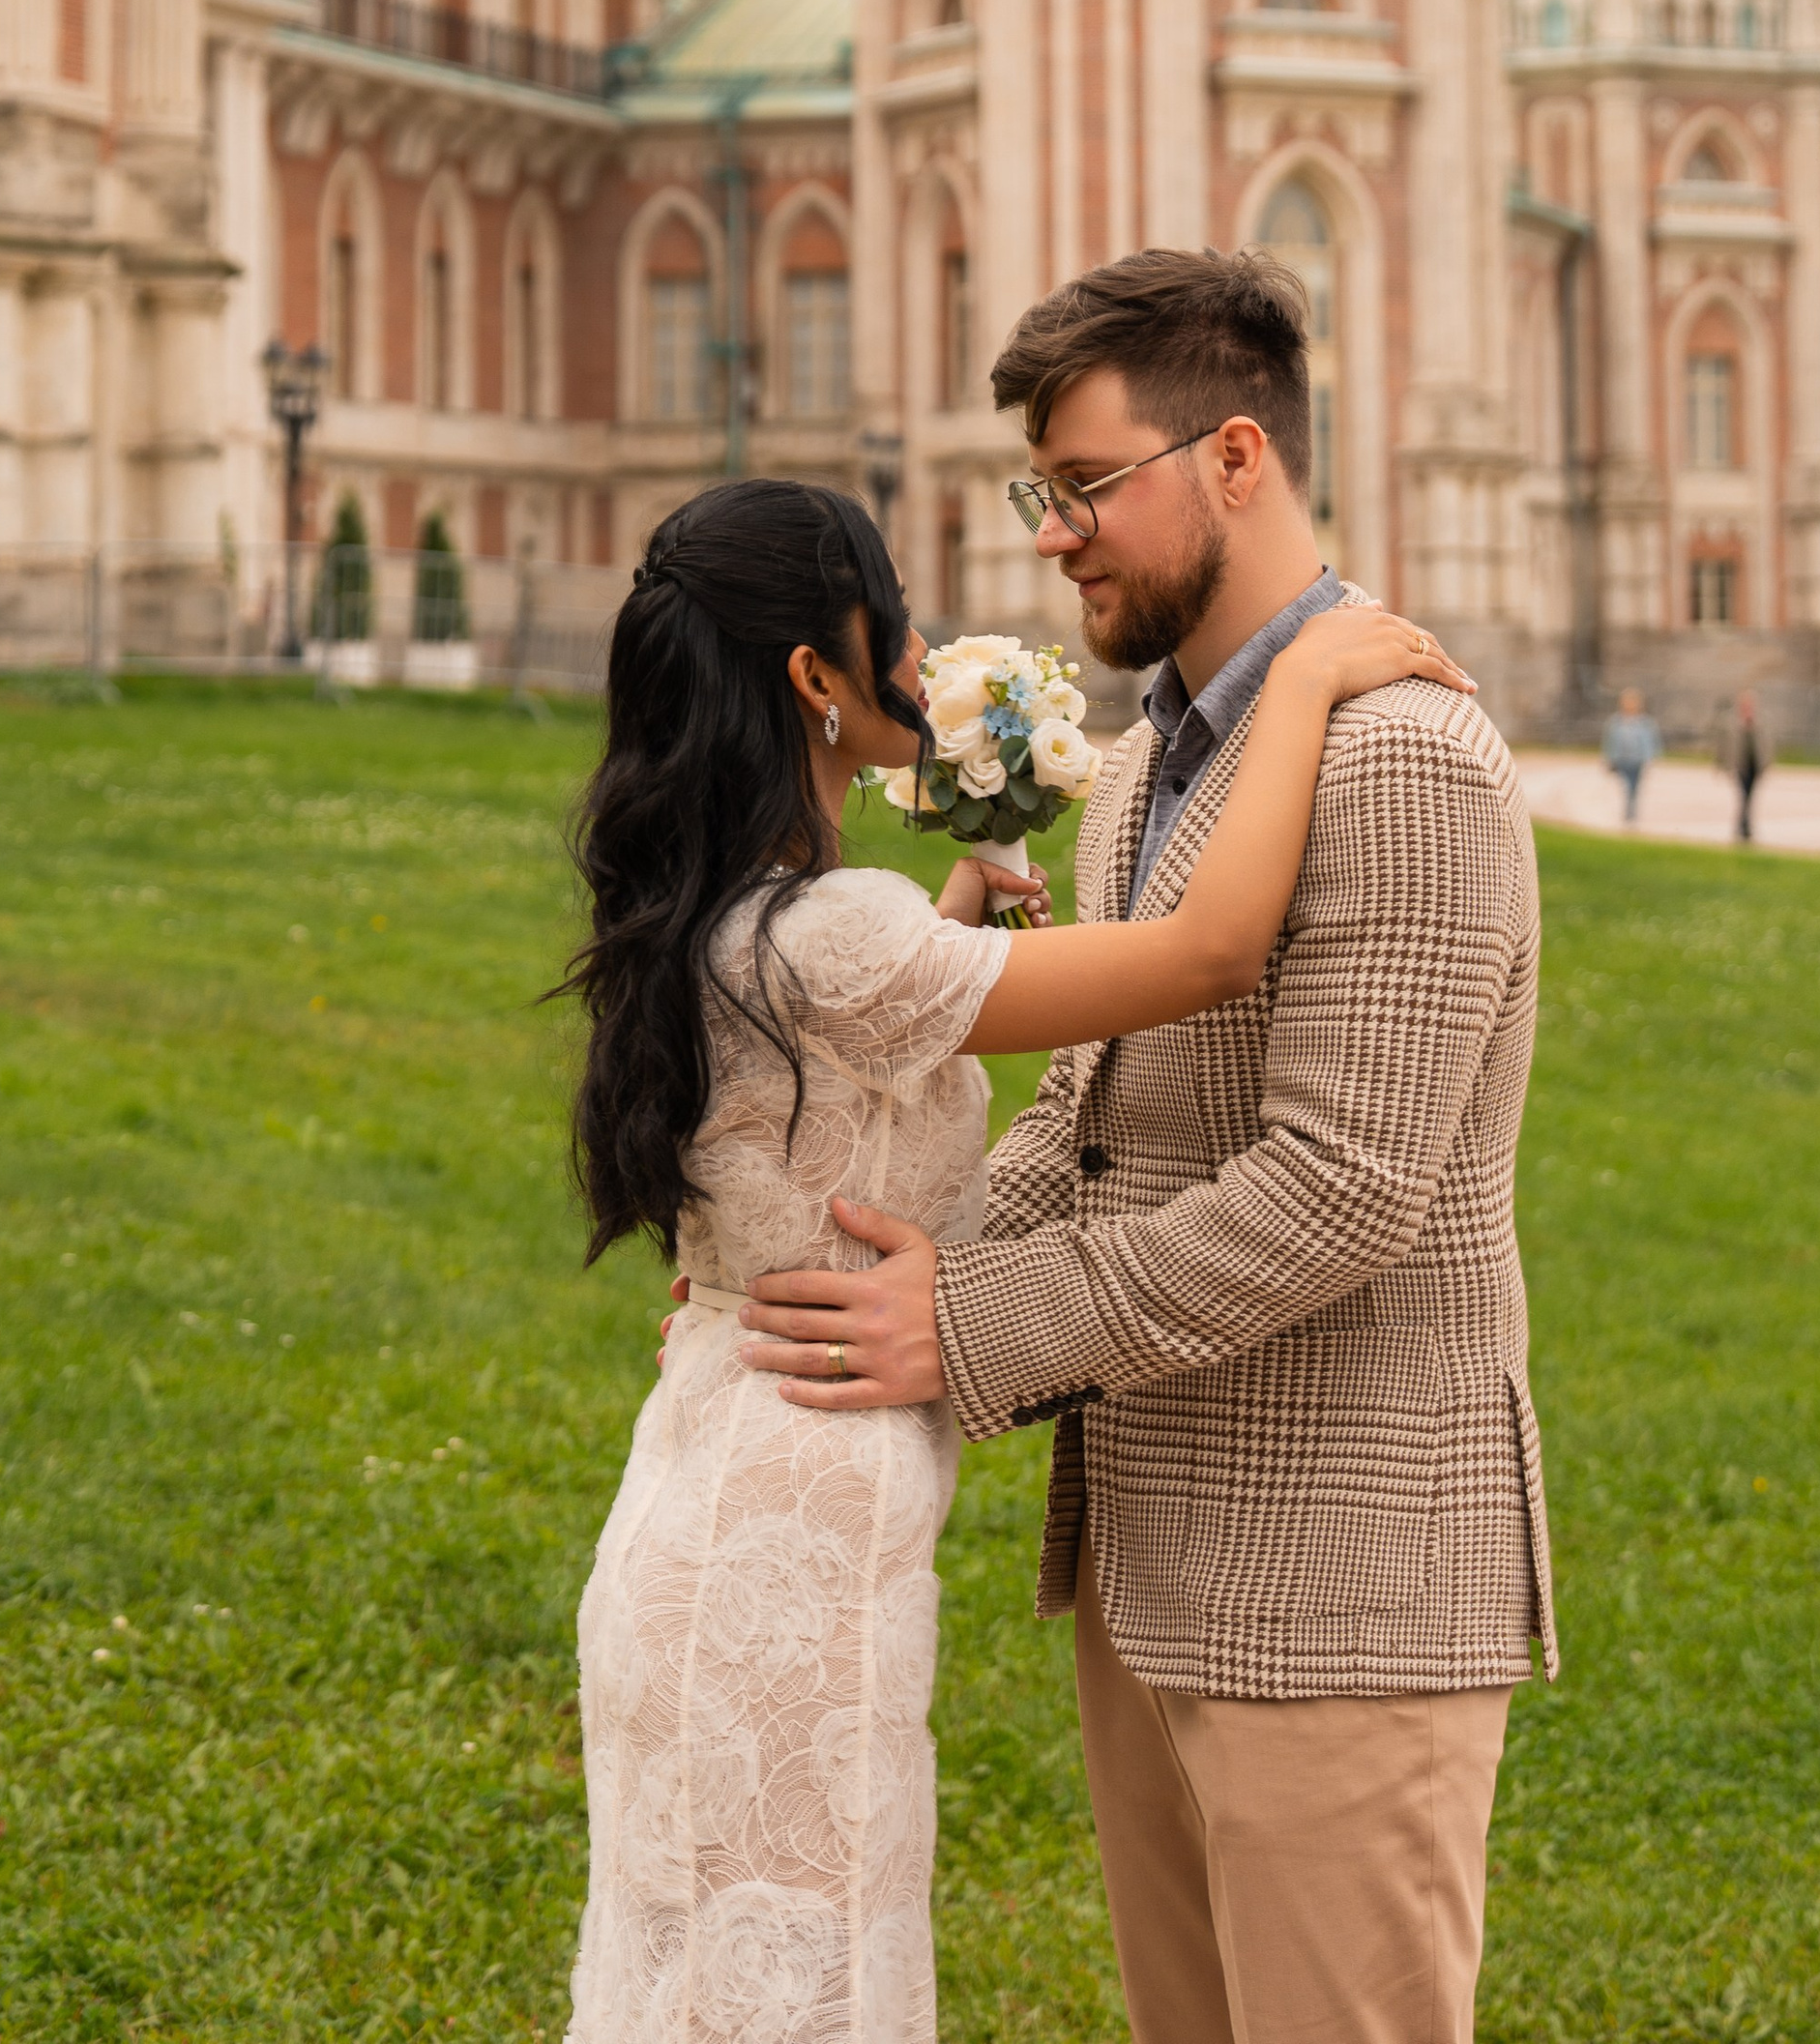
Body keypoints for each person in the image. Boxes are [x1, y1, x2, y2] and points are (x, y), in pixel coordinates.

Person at [737, 249, 1555, 2044]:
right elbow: (1089, 1125)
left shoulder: (1402, 753)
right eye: (1045, 491)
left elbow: (1340, 1191)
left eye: (1088, 483)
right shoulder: (1157, 764)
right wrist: (878, 1262)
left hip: (1345, 1585)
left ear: (1238, 458)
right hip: (1156, 1570)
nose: (1054, 533)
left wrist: (976, 1334)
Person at [559, 467, 1469, 2044]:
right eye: (889, 618)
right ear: (815, 678)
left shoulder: (754, 915)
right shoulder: (836, 936)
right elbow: (1207, 954)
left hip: (728, 1479)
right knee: (797, 1998)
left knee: (716, 1977)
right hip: (783, 1537)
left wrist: (955, 914)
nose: (920, 648)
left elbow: (833, 1103)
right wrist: (1310, 674)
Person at [1602, 686, 1659, 826]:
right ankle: (1628, 812)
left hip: (1636, 761)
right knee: (1626, 786)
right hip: (1622, 760)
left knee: (1634, 788)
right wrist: (1609, 758)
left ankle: (1630, 814)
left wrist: (1648, 759)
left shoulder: (1645, 723)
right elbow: (1610, 742)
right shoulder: (1616, 722)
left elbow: (1650, 743)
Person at [1716, 688, 1767, 844]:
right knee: (1744, 795)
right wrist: (1720, 764)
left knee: (1749, 796)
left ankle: (1744, 826)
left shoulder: (1760, 721)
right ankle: (1744, 826)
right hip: (1740, 764)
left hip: (1754, 764)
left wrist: (1767, 763)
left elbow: (1766, 745)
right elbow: (1723, 746)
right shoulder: (1731, 721)